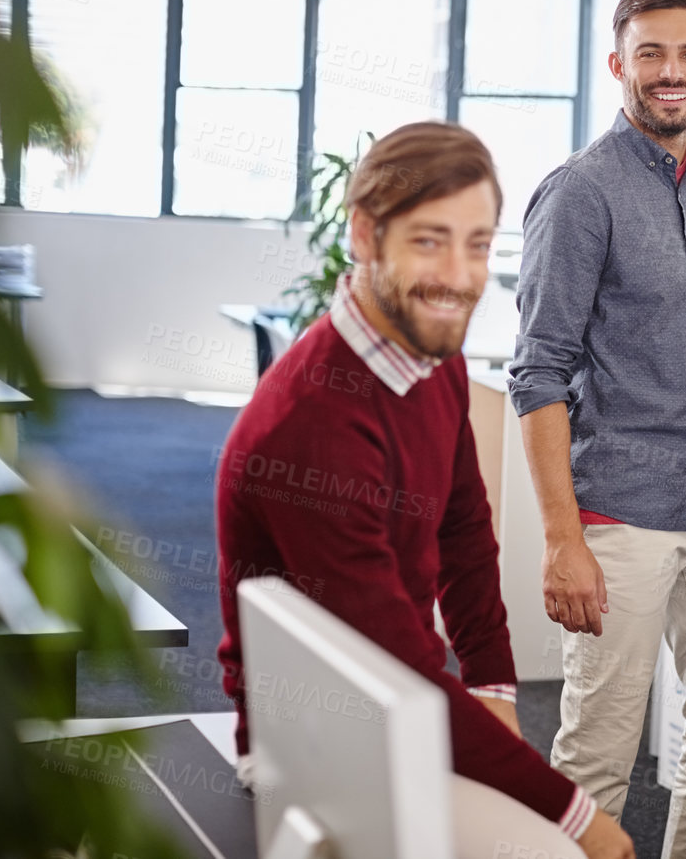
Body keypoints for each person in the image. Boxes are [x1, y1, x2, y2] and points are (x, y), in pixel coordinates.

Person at [215, 122, 632, 859]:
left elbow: (464, 531)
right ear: (367, 237)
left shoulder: (425, 353)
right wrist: (583, 820)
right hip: (308, 743)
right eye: (430, 240)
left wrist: (495, 691)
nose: (459, 275)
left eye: (478, 244)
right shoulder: (313, 423)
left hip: (389, 699)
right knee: (566, 851)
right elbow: (399, 670)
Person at [508, 0, 686, 859]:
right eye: (650, 53)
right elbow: (537, 373)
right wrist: (561, 539)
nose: (671, 72)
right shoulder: (581, 191)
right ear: (619, 65)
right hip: (619, 512)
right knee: (596, 761)